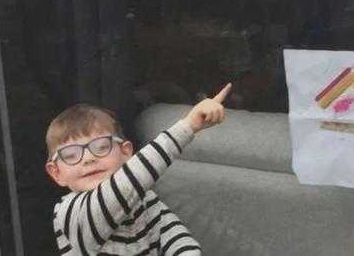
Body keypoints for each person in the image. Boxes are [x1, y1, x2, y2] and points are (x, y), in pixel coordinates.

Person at [45, 83, 232, 255]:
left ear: (126, 152)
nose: (88, 158)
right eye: (70, 155)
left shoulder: (146, 200)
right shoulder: (70, 212)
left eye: (101, 147)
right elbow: (123, 187)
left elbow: (177, 240)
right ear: (56, 173)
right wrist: (189, 126)